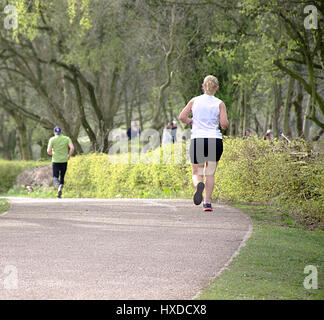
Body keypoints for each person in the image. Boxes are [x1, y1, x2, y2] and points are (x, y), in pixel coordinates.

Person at [179, 75, 229, 212]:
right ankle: (207, 203)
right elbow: (224, 124)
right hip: (215, 140)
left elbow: (182, 117)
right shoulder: (220, 103)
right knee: (210, 173)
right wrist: (222, 124)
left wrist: (191, 121)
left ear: (203, 86)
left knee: (196, 172)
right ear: (216, 88)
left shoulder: (194, 101)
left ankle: (198, 184)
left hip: (198, 139)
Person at [47, 126, 74, 198]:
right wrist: (69, 155)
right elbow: (72, 148)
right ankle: (60, 192)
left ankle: (59, 185)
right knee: (62, 176)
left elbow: (48, 151)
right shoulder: (67, 138)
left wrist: (52, 154)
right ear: (61, 132)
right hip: (64, 160)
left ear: (54, 133)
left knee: (55, 177)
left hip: (55, 160)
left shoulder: (52, 139)